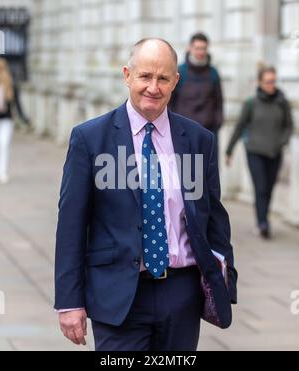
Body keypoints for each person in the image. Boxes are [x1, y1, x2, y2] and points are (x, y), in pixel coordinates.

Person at [55, 38, 237, 351]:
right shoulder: (91, 139)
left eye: (163, 78)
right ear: (127, 75)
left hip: (182, 295)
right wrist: (69, 301)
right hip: (117, 294)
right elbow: (71, 226)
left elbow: (214, 219)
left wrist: (225, 277)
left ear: (175, 81)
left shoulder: (198, 140)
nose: (153, 87)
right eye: (145, 76)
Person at [226, 66, 294, 239]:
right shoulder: (251, 103)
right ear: (260, 82)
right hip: (255, 151)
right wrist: (229, 150)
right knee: (260, 187)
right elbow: (240, 126)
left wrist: (281, 142)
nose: (271, 85)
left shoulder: (282, 102)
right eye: (268, 81)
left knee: (269, 188)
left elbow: (289, 126)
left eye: (273, 81)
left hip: (274, 152)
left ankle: (263, 219)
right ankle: (262, 222)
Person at [169, 32, 223, 151]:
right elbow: (170, 100)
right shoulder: (180, 72)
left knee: (206, 168)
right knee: (185, 168)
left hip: (207, 132)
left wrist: (217, 123)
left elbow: (218, 101)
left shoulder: (213, 73)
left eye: (203, 48)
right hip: (183, 132)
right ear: (190, 48)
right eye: (197, 48)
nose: (200, 52)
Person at [0, 57, 30, 184]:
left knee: (4, 144)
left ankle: (2, 171)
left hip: (6, 119)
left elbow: (17, 104)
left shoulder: (10, 85)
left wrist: (24, 118)